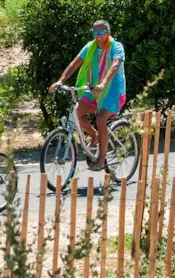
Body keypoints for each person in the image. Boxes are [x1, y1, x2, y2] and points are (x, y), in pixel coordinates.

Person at [48, 20, 126, 172]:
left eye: (101, 32)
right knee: (76, 114)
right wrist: (60, 81)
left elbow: (115, 65)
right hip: (93, 89)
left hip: (111, 90)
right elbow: (75, 64)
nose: (98, 36)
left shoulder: (116, 47)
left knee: (101, 119)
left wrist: (103, 84)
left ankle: (101, 160)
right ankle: (95, 136)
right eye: (95, 33)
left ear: (108, 33)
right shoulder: (90, 47)